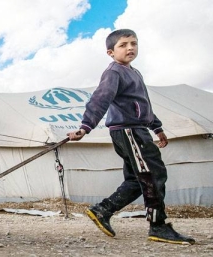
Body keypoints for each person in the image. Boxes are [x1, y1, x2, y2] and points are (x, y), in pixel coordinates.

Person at [67, 29, 195, 245]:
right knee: (154, 174)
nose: (130, 48)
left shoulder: (134, 73)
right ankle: (158, 226)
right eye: (123, 44)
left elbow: (143, 106)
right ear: (110, 52)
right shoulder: (114, 72)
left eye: (134, 43)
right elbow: (100, 99)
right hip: (129, 131)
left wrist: (158, 128)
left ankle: (102, 211)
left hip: (137, 129)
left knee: (138, 179)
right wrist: (85, 127)